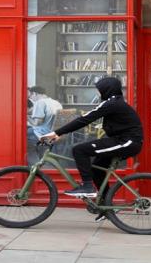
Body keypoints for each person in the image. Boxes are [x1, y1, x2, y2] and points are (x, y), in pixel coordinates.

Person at [41, 77, 143, 205]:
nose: (98, 93)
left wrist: (57, 132)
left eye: (99, 90)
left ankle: (87, 187)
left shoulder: (112, 103)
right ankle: (105, 204)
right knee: (97, 169)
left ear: (107, 90)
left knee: (79, 150)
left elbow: (85, 119)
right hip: (121, 140)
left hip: (127, 142)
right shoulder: (115, 102)